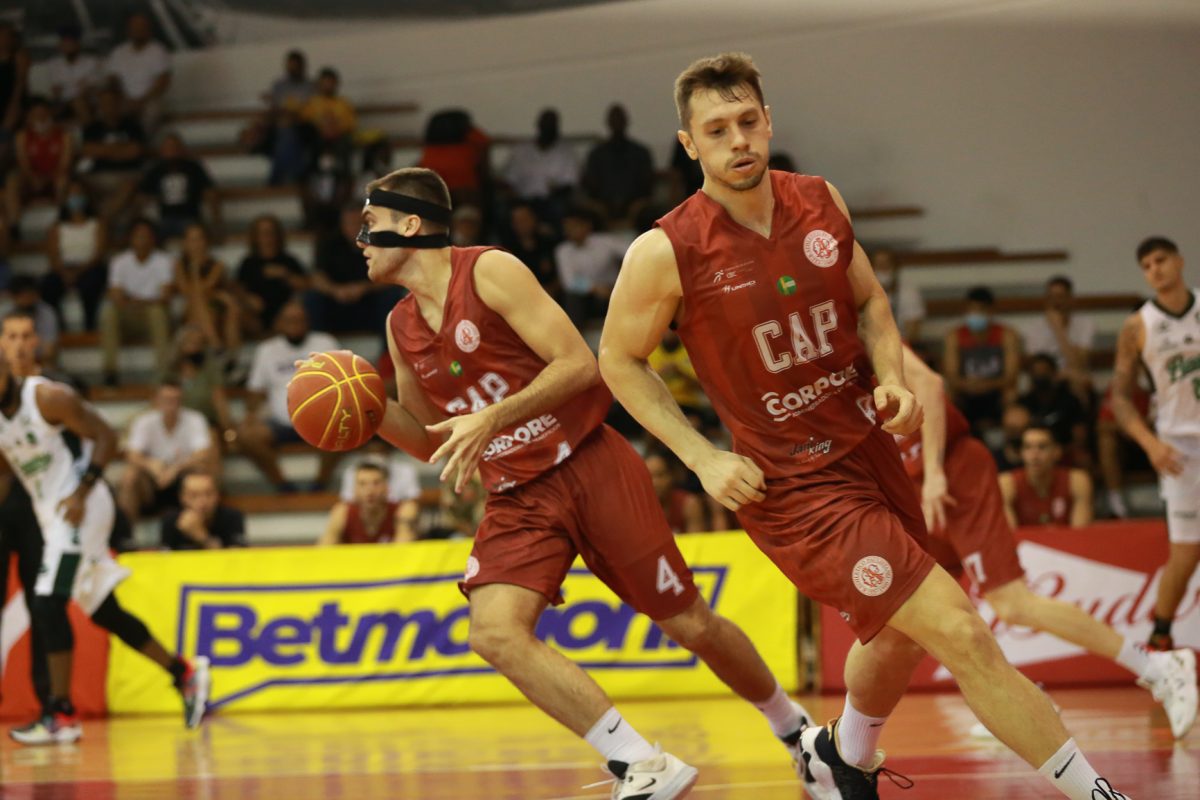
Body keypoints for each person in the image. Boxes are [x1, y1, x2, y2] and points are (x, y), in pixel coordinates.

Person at [597, 52, 1126, 799]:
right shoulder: (666, 249)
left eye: (747, 121)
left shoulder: (820, 200)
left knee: (900, 636)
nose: (738, 140)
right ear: (689, 144)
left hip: (870, 453)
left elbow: (871, 302)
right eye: (716, 130)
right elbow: (618, 360)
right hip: (793, 486)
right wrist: (700, 456)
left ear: (768, 120)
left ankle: (843, 752)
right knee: (962, 630)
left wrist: (891, 378)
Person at [360, 166, 809, 798]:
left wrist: (493, 416)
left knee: (689, 623)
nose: (361, 240)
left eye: (370, 224)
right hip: (517, 495)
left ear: (410, 225)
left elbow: (580, 364)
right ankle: (640, 761)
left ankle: (794, 730)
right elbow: (435, 439)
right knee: (493, 632)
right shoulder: (399, 326)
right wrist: (364, 410)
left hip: (587, 462)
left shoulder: (489, 271)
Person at [898, 344, 1196, 739]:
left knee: (1013, 603)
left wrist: (934, 471)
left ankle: (1156, 666)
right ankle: (1020, 697)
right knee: (925, 612)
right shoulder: (824, 386)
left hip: (950, 475)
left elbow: (930, 384)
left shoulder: (863, 331)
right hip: (909, 489)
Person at [0, 357, 209, 744]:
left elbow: (107, 436)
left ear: (6, 370)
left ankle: (61, 712)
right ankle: (183, 674)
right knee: (104, 611)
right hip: (52, 514)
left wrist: (81, 491)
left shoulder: (47, 397)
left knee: (47, 601)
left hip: (82, 507)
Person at [1111, 236, 1200, 652]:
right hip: (1178, 450)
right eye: (1146, 266)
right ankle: (1160, 640)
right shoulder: (1137, 326)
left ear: (1179, 261)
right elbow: (1119, 397)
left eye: (1161, 260)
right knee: (1186, 553)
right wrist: (1149, 444)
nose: (1155, 270)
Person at [237, 300, 341, 491]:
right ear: (279, 323)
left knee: (343, 427)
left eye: (299, 319)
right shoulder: (266, 350)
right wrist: (250, 414)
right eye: (289, 320)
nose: (294, 324)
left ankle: (319, 484)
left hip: (319, 421)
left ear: (307, 321)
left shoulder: (325, 343)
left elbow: (343, 381)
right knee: (246, 436)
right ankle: (283, 485)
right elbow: (255, 390)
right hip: (280, 423)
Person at [118, 380, 219, 525]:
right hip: (152, 482)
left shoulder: (195, 419)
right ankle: (126, 530)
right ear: (156, 400)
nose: (172, 404)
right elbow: (132, 455)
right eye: (167, 399)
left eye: (176, 399)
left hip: (184, 479)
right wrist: (151, 465)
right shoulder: (144, 421)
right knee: (129, 476)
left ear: (182, 400)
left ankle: (200, 528)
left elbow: (203, 454)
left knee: (202, 473)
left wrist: (175, 469)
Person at [99, 218, 174, 385]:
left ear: (153, 239)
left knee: (157, 312)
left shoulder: (163, 260)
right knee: (109, 312)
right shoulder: (119, 261)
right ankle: (110, 372)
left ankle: (163, 372)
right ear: (130, 238)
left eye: (146, 236)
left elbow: (165, 296)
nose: (142, 240)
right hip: (128, 316)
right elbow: (115, 296)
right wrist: (142, 301)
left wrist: (134, 300)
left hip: (152, 316)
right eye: (138, 236)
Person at [306, 205, 402, 334]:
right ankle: (321, 341)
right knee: (313, 298)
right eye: (349, 223)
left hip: (370, 301)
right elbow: (317, 277)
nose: (353, 228)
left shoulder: (380, 242)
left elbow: (392, 277)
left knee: (391, 295)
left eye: (358, 223)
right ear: (342, 225)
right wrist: (335, 290)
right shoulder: (329, 244)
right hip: (337, 300)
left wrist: (364, 288)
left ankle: (388, 343)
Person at [942, 285, 1020, 434]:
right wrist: (968, 385)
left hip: (996, 390)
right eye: (972, 310)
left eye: (981, 310)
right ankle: (952, 437)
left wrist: (986, 385)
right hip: (966, 391)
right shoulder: (954, 336)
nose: (976, 314)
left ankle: (1009, 439)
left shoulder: (1007, 335)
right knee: (948, 394)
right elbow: (951, 375)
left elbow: (1011, 375)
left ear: (991, 311)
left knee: (1011, 394)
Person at [41, 180, 108, 331]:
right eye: (71, 194)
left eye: (79, 194)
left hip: (90, 267)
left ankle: (90, 326)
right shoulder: (56, 227)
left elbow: (99, 254)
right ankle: (59, 328)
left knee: (91, 284)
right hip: (64, 268)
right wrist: (65, 273)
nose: (75, 197)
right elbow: (53, 256)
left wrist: (78, 272)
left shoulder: (97, 224)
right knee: (49, 285)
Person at [79, 85, 148, 229]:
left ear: (119, 103)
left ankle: (101, 223)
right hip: (98, 177)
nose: (109, 106)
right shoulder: (92, 128)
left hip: (127, 174)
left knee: (130, 187)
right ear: (100, 105)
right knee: (79, 186)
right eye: (104, 102)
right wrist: (120, 150)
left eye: (112, 102)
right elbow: (88, 150)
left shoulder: (132, 125)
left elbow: (134, 151)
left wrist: (104, 151)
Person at [998, 425, 1092, 528]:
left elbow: (1080, 532)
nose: (1034, 455)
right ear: (1021, 453)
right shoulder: (1006, 484)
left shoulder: (1077, 481)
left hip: (1066, 539)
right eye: (1028, 447)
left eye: (1042, 447)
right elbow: (1010, 534)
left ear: (1057, 452)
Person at [234, 214, 309, 337]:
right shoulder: (248, 263)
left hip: (283, 313)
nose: (267, 237)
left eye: (271, 233)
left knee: (293, 312)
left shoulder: (289, 260)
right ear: (255, 237)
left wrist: (285, 275)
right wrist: (247, 299)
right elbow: (238, 288)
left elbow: (305, 285)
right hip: (256, 314)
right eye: (262, 233)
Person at [580, 103, 654, 227]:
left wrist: (636, 207)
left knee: (650, 214)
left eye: (620, 119)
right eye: (614, 120)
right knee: (585, 215)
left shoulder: (640, 153)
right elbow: (590, 185)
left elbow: (647, 185)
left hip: (635, 206)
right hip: (602, 207)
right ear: (608, 122)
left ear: (626, 121)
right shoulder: (597, 154)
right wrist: (600, 207)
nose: (617, 123)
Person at [137, 132, 221, 240]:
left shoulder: (193, 168)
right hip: (165, 219)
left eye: (174, 147)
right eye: (168, 147)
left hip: (189, 217)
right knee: (148, 234)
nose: (171, 151)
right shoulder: (156, 170)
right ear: (162, 150)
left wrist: (216, 222)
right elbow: (142, 196)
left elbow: (209, 191)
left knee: (195, 233)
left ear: (181, 149)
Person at [5, 97, 73, 228]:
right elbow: (23, 164)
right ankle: (14, 226)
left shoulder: (64, 136)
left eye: (43, 114)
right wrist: (33, 178)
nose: (40, 119)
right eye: (36, 115)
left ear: (50, 114)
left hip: (54, 177)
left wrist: (48, 178)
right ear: (30, 117)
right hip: (31, 179)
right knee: (12, 181)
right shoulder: (22, 136)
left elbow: (65, 164)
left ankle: (61, 221)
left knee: (63, 180)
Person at [554, 206, 625, 330]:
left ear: (587, 226)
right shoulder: (563, 250)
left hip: (615, 289)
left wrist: (623, 280)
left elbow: (633, 253)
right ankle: (574, 335)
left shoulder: (606, 241)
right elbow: (569, 282)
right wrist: (595, 289)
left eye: (574, 226)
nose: (570, 230)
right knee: (572, 297)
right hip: (589, 297)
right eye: (567, 227)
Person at [1022, 275, 1095, 396]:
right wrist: (1058, 375)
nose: (1056, 302)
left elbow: (1080, 364)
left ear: (1070, 299)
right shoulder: (1032, 328)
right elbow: (1035, 367)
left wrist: (1059, 330)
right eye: (1051, 297)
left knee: (1078, 380)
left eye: (1060, 297)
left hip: (1074, 377)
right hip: (1045, 377)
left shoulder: (1086, 324)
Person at [501, 108, 578, 221]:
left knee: (560, 208)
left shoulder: (567, 152)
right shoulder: (521, 151)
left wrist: (556, 192)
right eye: (545, 124)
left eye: (552, 125)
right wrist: (511, 195)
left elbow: (569, 184)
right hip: (524, 199)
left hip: (551, 200)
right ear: (538, 125)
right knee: (503, 209)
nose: (548, 128)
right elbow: (509, 181)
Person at [174, 223, 240, 355]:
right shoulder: (179, 265)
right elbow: (185, 291)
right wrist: (194, 269)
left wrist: (195, 271)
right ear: (185, 243)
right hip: (191, 309)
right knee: (199, 301)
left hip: (215, 309)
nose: (196, 244)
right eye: (192, 240)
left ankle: (218, 348)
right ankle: (218, 347)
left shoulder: (218, 264)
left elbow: (208, 286)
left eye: (199, 239)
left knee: (205, 304)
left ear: (207, 242)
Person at [104, 12, 171, 133]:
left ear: (148, 30)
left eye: (141, 27)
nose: (138, 30)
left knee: (151, 113)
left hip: (149, 100)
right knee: (108, 107)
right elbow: (113, 80)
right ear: (128, 30)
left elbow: (163, 82)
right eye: (134, 27)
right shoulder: (119, 52)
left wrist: (142, 101)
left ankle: (140, 142)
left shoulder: (158, 51)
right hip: (123, 99)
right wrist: (125, 99)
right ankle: (116, 140)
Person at [319, 461, 416, 545]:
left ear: (387, 487)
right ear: (354, 489)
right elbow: (324, 549)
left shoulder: (403, 510)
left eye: (376, 483)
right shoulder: (342, 512)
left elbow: (403, 550)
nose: (370, 490)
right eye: (362, 484)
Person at [1019, 352, 1089, 466]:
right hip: (1034, 451)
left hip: (1065, 451)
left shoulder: (1069, 400)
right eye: (1036, 371)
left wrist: (1057, 452)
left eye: (1044, 371)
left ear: (1054, 373)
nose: (1040, 375)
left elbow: (1079, 434)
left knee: (1082, 457)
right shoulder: (1024, 402)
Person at [160, 471, 246, 551]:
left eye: (208, 494)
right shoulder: (172, 520)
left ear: (218, 494)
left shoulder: (232, 517)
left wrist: (202, 537)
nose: (203, 501)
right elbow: (164, 558)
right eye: (194, 495)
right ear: (182, 497)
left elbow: (236, 558)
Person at [45, 25, 99, 123]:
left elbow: (90, 88)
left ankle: (89, 129)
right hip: (64, 102)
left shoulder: (91, 62)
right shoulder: (54, 64)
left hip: (86, 101)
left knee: (79, 102)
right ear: (60, 45)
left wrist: (81, 90)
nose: (68, 46)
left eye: (71, 43)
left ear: (78, 44)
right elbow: (57, 90)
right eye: (65, 43)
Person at [645, 450, 707, 534]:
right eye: (649, 476)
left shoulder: (688, 503)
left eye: (660, 475)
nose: (655, 482)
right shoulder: (635, 507)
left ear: (671, 476)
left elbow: (697, 540)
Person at [870, 248, 924, 344]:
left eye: (886, 265)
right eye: (878, 265)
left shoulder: (909, 293)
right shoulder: (861, 293)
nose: (882, 268)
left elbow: (913, 332)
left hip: (901, 344)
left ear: (895, 268)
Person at [7, 276, 60, 367]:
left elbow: (49, 351)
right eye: (24, 296)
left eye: (31, 295)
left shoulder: (47, 313)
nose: (27, 300)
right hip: (9, 365)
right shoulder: (4, 313)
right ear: (14, 296)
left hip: (40, 364)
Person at [0, 23, 30, 154]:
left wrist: (15, 105)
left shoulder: (19, 56)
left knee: (5, 133)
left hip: (12, 100)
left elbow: (20, 83)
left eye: (5, 36)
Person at [990, 402, 1032, 472]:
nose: (1017, 435)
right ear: (1003, 427)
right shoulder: (993, 459)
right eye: (1012, 430)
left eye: (1022, 430)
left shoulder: (1038, 460)